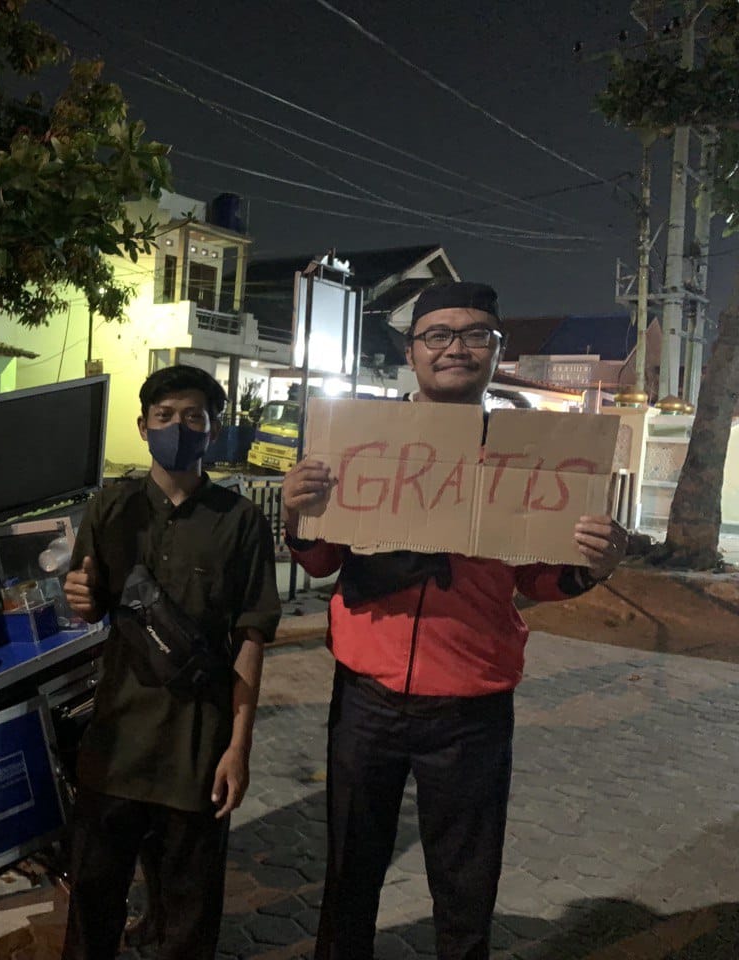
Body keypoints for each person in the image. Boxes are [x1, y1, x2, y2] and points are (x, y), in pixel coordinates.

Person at [282, 281, 628, 960]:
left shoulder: (528, 450)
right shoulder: (358, 439)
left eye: (476, 335)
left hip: (471, 707)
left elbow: (537, 575)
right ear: (412, 352)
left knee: (466, 890)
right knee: (349, 875)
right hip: (365, 700)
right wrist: (297, 512)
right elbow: (320, 560)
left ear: (497, 351)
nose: (456, 348)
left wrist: (592, 564)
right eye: (437, 335)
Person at [61, 364, 282, 960]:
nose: (177, 428)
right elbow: (89, 602)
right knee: (92, 902)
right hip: (114, 747)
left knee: (189, 914)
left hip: (197, 749)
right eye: (164, 417)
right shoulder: (111, 508)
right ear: (142, 426)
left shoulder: (241, 522)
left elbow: (252, 637)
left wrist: (239, 748)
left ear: (213, 431)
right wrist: (79, 600)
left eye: (192, 418)